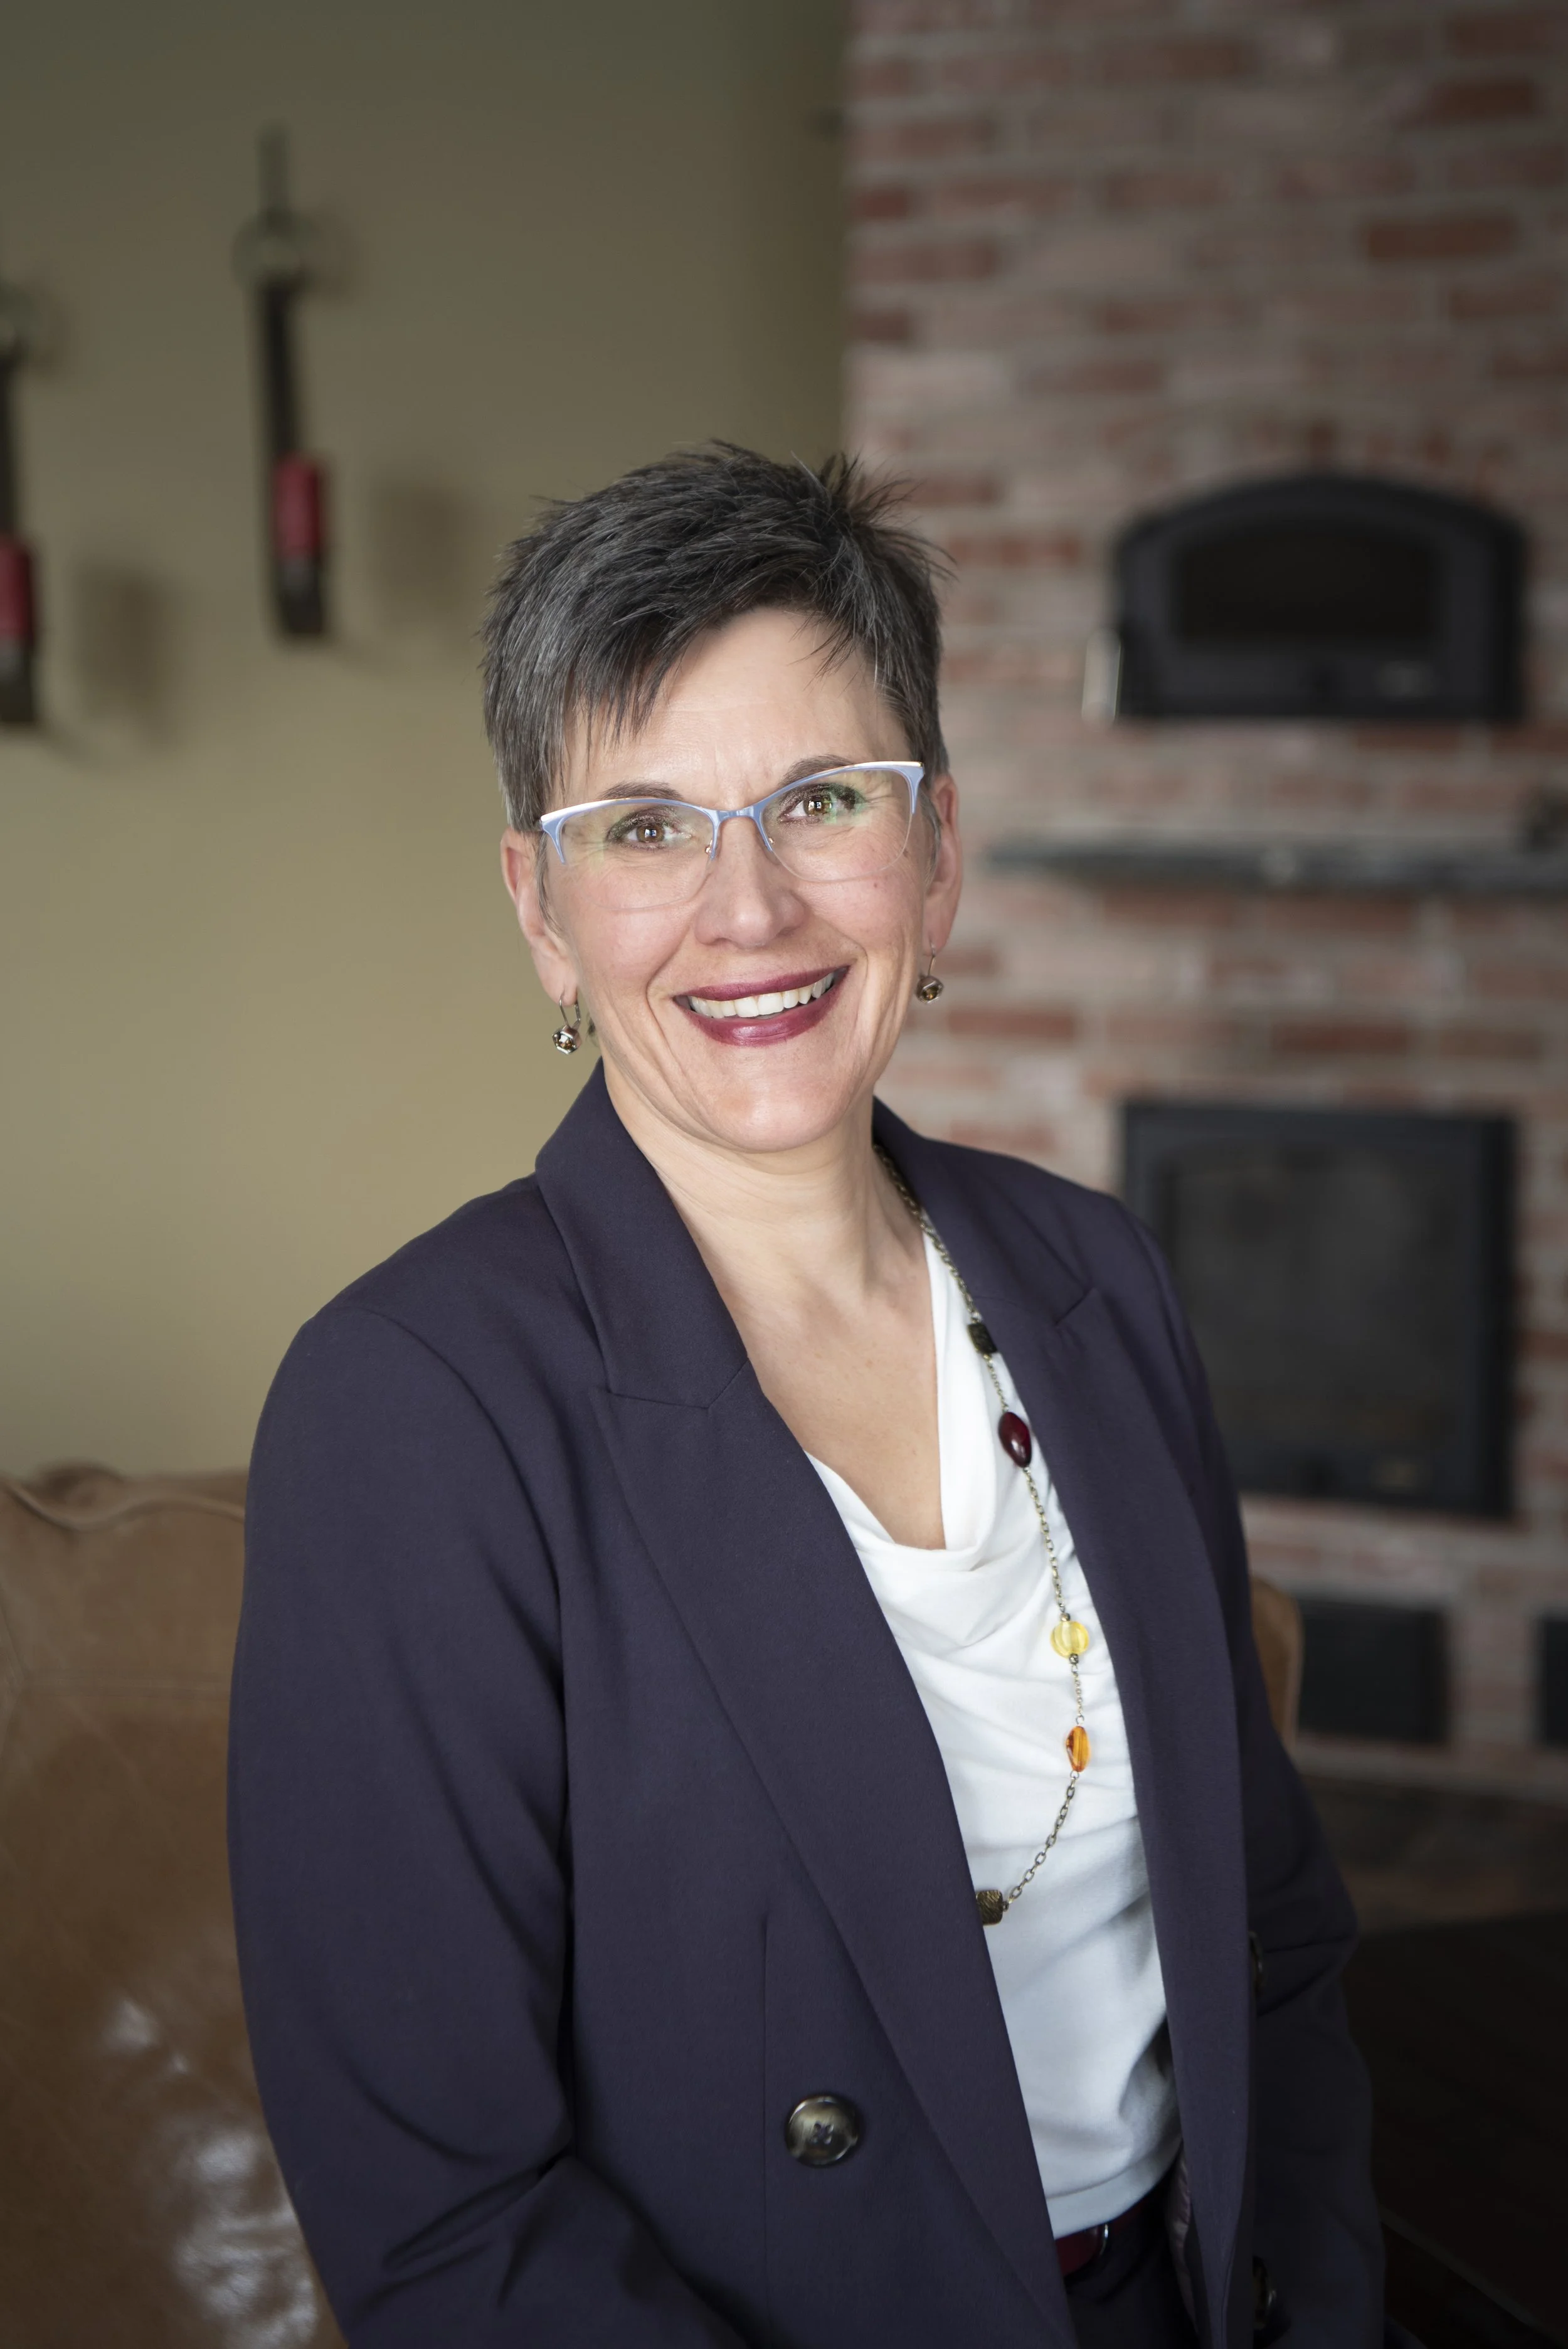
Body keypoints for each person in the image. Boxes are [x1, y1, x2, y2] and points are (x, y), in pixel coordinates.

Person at [229, 445, 1388, 2349]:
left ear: (934, 856)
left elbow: (1273, 1940)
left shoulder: (1097, 1281)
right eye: (645, 827)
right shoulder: (415, 1406)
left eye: (822, 803)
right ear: (540, 906)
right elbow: (443, 2223)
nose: (748, 910)